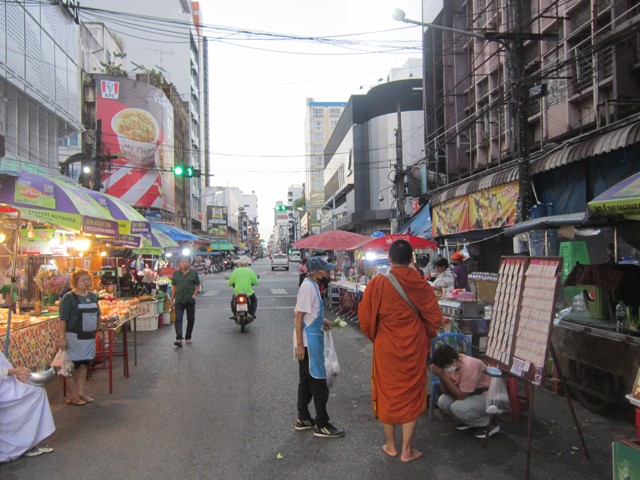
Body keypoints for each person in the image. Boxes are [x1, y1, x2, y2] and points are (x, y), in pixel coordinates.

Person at [358, 239, 442, 462]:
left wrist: (380, 336)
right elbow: (435, 320)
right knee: (411, 396)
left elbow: (365, 320)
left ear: (389, 259)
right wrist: (422, 336)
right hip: (413, 349)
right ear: (411, 259)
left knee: (388, 395)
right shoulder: (421, 284)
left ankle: (391, 445)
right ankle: (407, 450)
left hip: (387, 349)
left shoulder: (378, 284)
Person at [293, 256, 345, 438]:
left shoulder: (313, 286)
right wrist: (300, 345)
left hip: (312, 339)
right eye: (326, 271)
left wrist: (321, 320)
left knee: (306, 382)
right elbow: (299, 317)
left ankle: (303, 418)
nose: (329, 273)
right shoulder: (308, 287)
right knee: (318, 383)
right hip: (308, 343)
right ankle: (322, 424)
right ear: (316, 272)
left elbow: (308, 313)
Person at [429, 344, 498, 439]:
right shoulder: (454, 364)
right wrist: (441, 376)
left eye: (445, 368)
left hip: (487, 397)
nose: (445, 370)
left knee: (457, 407)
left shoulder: (469, 366)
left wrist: (443, 376)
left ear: (453, 361)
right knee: (443, 400)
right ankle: (471, 422)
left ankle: (489, 423)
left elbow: (462, 396)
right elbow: (445, 392)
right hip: (471, 394)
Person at [0, 352, 55, 461]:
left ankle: (28, 443)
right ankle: (22, 444)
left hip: (7, 383)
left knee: (37, 392)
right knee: (36, 394)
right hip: (4, 390)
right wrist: (14, 372)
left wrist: (15, 375)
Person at [58, 269, 101, 406]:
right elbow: (63, 319)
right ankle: (71, 396)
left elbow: (98, 314)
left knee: (83, 366)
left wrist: (99, 327)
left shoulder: (93, 296)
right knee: (72, 367)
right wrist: (61, 337)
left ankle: (80, 393)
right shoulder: (69, 298)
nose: (86, 282)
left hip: (88, 337)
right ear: (75, 282)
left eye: (88, 279)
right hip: (73, 337)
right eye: (83, 280)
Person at [171, 257, 201, 347]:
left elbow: (198, 284)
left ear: (189, 263)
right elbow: (174, 287)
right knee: (178, 319)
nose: (184, 264)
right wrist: (172, 298)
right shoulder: (176, 274)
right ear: (180, 263)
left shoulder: (193, 273)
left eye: (186, 262)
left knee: (191, 319)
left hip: (190, 300)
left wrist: (195, 294)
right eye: (183, 262)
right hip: (179, 300)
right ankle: (179, 338)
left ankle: (188, 337)